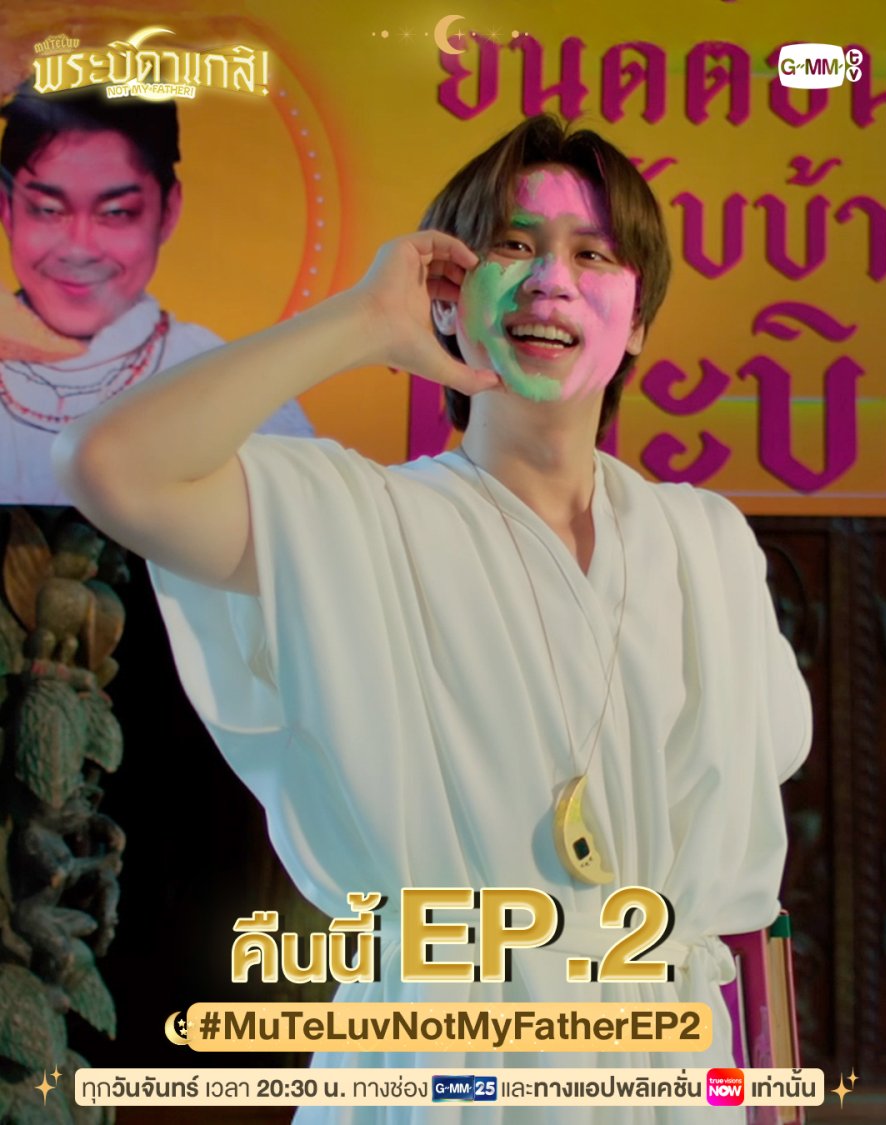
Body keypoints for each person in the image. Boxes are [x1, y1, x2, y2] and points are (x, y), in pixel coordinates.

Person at [54, 115, 812, 1122]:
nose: (551, 280)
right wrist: (364, 321)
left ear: (638, 321)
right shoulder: (356, 518)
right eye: (513, 245)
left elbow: (748, 918)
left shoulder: (704, 543)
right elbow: (108, 464)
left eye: (593, 254)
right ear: (450, 295)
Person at [0, 81, 312, 505]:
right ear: (6, 209)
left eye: (116, 213)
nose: (78, 249)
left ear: (168, 211)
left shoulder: (226, 381)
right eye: (48, 210)